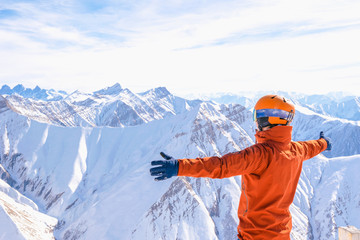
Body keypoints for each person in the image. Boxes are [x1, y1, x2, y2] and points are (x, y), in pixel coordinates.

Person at [150, 95, 331, 240]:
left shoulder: (260, 154)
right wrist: (324, 143)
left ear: (265, 119)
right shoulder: (296, 150)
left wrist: (179, 166)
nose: (255, 122)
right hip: (282, 234)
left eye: (257, 117)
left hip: (255, 236)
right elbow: (312, 147)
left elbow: (220, 166)